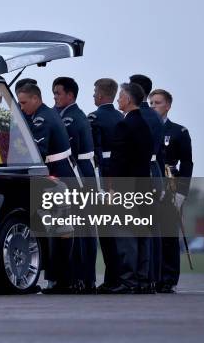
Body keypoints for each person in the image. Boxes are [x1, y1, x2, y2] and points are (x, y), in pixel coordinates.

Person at [17, 83, 76, 294]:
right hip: (57, 178)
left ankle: (61, 281)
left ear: (35, 99)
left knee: (59, 233)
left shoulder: (42, 119)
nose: (21, 108)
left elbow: (36, 153)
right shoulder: (41, 114)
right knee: (57, 233)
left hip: (57, 179)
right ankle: (60, 280)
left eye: (23, 103)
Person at [105, 82, 154, 294]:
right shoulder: (144, 124)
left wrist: (112, 187)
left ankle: (128, 280)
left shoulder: (123, 126)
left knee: (125, 235)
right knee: (142, 233)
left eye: (120, 97)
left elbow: (118, 160)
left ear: (128, 99)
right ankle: (143, 280)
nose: (118, 100)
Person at [52, 77, 97, 293]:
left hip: (78, 175)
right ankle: (83, 278)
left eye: (58, 93)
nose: (55, 97)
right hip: (81, 174)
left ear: (70, 95)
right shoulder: (68, 115)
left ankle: (80, 278)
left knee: (80, 231)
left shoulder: (71, 119)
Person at [149, 88, 193, 293]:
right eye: (151, 103)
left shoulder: (178, 132)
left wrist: (182, 193)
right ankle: (153, 275)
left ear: (168, 106)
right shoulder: (147, 128)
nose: (153, 106)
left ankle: (168, 278)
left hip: (171, 185)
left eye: (157, 103)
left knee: (168, 234)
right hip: (151, 185)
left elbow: (187, 163)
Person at [87, 78, 124, 292]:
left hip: (105, 179)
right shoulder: (121, 117)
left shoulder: (95, 118)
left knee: (106, 232)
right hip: (122, 178)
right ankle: (120, 276)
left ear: (101, 95)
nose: (93, 95)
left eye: (94, 92)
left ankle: (112, 280)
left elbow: (96, 153)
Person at [129, 74, 164, 292]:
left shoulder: (137, 116)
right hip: (153, 171)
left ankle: (142, 277)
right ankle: (153, 277)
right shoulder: (154, 116)